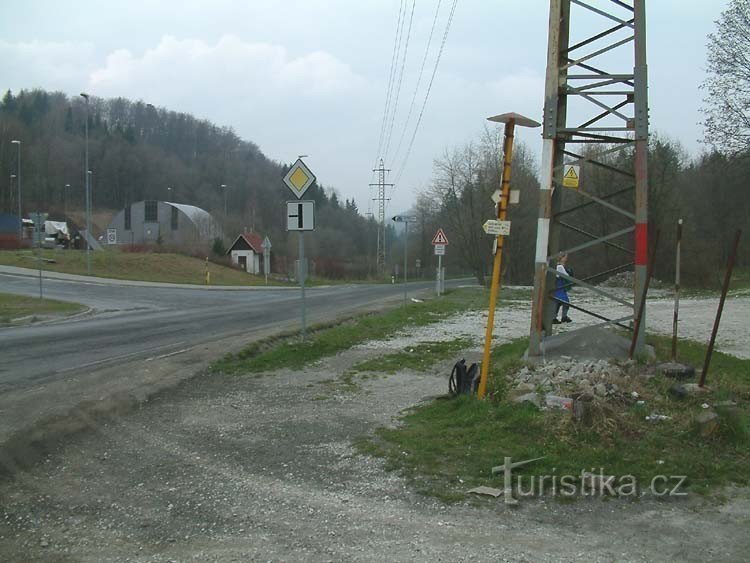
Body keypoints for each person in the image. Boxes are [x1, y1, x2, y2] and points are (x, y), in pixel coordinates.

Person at [552, 253, 573, 324]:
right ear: (561, 258)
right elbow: (566, 275)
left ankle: (555, 317)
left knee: (558, 302)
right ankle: (563, 317)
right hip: (559, 286)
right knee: (565, 301)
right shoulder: (560, 267)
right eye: (565, 257)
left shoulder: (556, 266)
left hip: (557, 286)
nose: (566, 259)